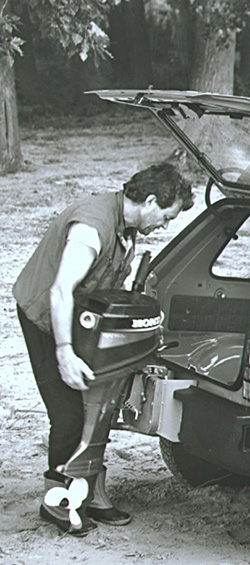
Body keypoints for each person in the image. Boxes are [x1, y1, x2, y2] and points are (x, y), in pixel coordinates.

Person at [14, 163, 194, 536]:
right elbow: (60, 291)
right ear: (150, 201)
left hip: (82, 317)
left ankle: (90, 493)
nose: (164, 225)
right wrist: (64, 351)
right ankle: (58, 502)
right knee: (68, 414)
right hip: (46, 318)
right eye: (166, 216)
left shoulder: (127, 229)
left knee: (99, 404)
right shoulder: (91, 227)